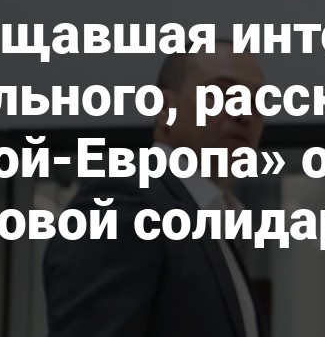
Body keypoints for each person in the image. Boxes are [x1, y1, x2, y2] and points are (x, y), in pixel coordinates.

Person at [44, 44, 268, 337]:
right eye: (221, 93)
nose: (244, 112)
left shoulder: (216, 222)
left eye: (257, 101)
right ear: (163, 109)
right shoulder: (122, 203)